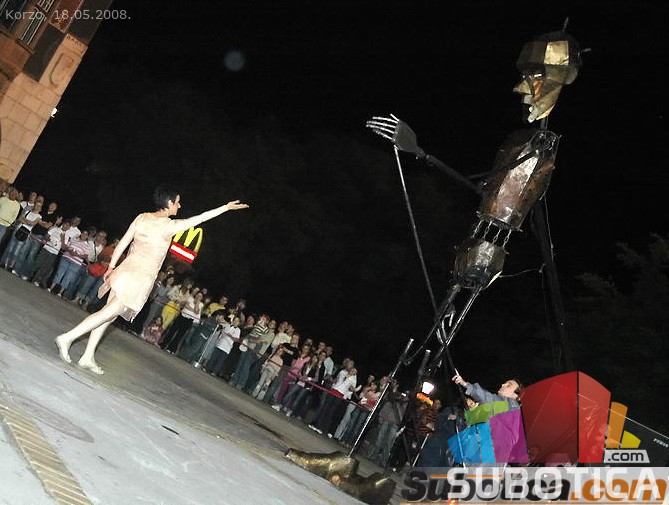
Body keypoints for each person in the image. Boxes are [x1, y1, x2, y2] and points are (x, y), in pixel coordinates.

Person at [55, 186, 248, 374]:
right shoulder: (169, 226)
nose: (179, 206)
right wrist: (225, 208)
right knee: (108, 312)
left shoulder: (142, 217)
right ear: (169, 203)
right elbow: (200, 218)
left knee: (110, 315)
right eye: (178, 202)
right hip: (139, 277)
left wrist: (112, 267)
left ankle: (87, 356)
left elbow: (124, 242)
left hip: (124, 270)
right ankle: (68, 337)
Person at [451, 374, 522, 410]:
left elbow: (488, 398)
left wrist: (465, 384)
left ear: (515, 396)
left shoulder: (512, 404)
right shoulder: (505, 408)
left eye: (509, 385)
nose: (503, 385)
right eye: (505, 383)